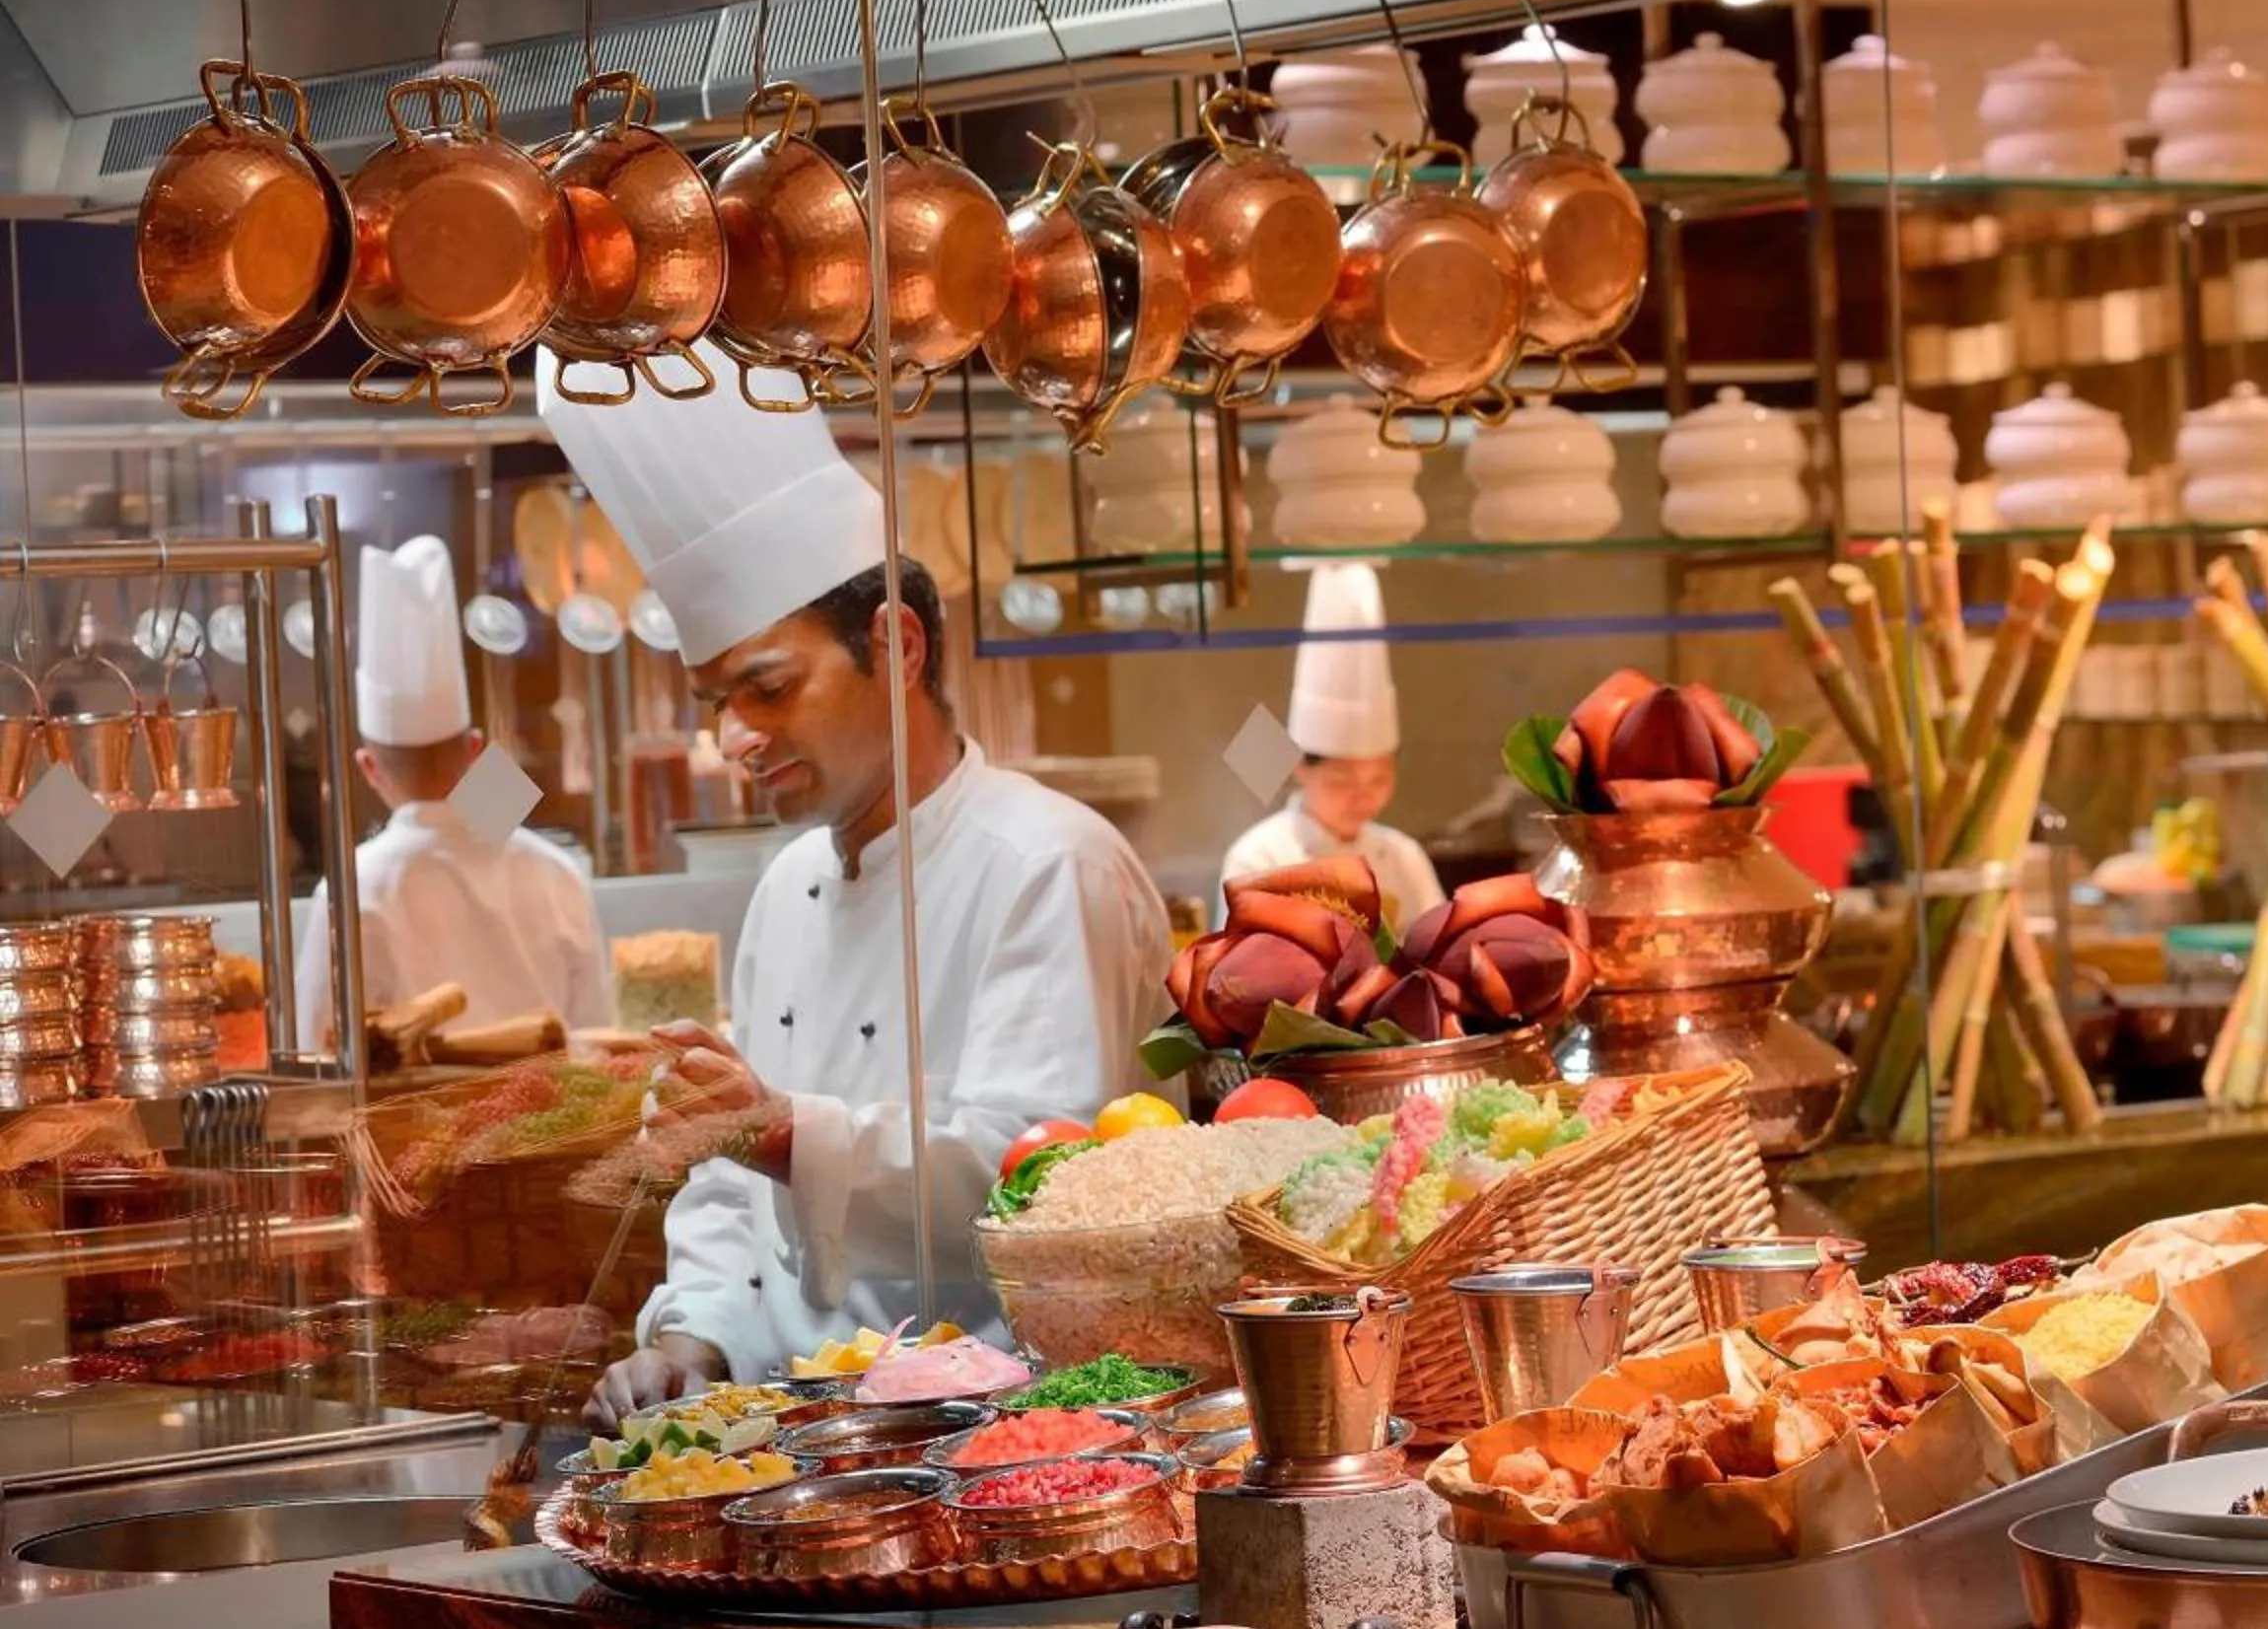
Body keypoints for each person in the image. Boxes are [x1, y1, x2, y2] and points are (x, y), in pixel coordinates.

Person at [545, 342, 1175, 1428]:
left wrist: (785, 1132)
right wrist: (691, 1338)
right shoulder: (786, 883)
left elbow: (1044, 1183)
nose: (736, 739)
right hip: (795, 1429)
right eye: (716, 703)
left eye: (768, 687)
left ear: (898, 647)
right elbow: (730, 1182)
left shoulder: (1047, 863)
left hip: (1003, 1431)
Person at [291, 535, 609, 1051]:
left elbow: (321, 1052)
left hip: (416, 1110)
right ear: (475, 749)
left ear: (369, 768)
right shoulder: (557, 870)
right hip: (552, 1106)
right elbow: (595, 1036)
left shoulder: (351, 891)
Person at [1218, 561, 1444, 927]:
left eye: (1380, 779)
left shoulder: (1404, 856)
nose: (1364, 797)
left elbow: (1440, 949)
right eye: (1342, 780)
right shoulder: (1258, 859)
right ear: (1300, 767)